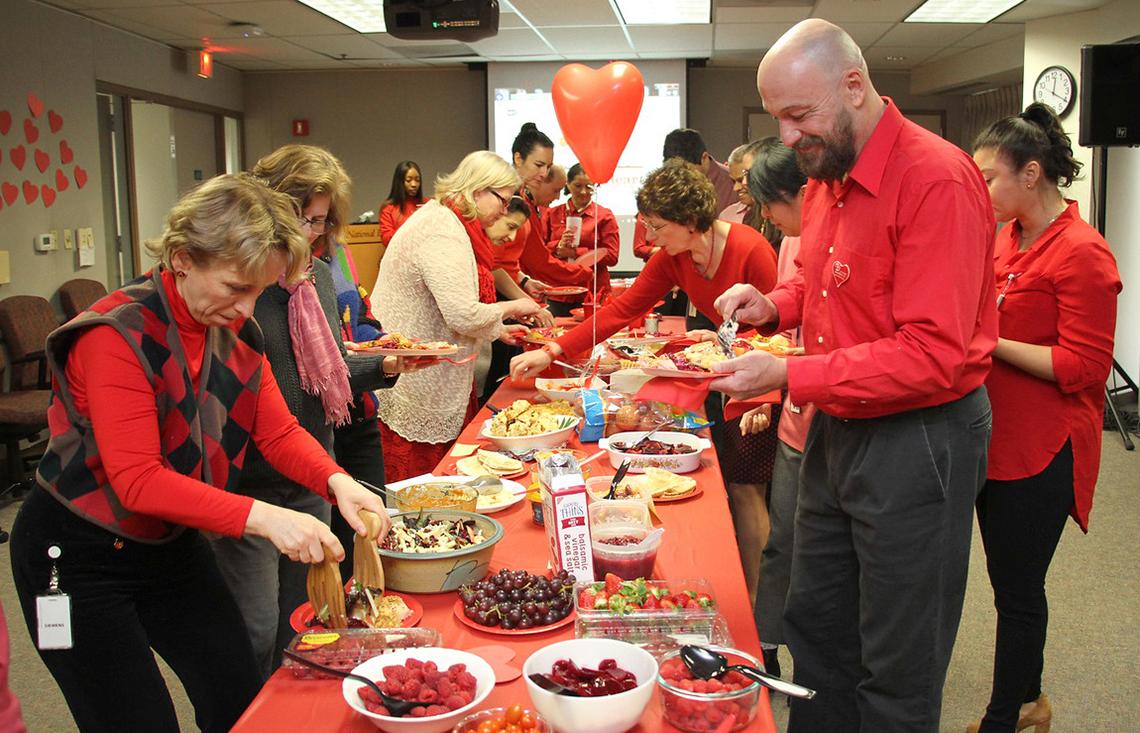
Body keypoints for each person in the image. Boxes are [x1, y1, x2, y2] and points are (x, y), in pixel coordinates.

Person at [8, 173, 390, 733]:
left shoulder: (234, 331)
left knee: (238, 692)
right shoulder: (114, 335)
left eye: (259, 291)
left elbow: (277, 433)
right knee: (135, 719)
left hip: (167, 542)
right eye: (236, 288)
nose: (246, 309)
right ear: (183, 257)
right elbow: (137, 480)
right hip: (77, 553)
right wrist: (264, 517)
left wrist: (338, 482)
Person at [711, 19, 997, 733]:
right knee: (817, 631)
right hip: (840, 421)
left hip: (919, 435)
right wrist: (771, 303)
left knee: (897, 658)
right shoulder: (824, 180)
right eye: (778, 116)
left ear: (855, 85)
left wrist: (789, 373)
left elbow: (932, 353)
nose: (787, 135)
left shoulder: (936, 178)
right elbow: (820, 283)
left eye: (798, 115)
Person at [207, 145, 410, 678]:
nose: (309, 232)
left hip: (310, 466)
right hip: (251, 480)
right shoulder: (243, 290)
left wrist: (385, 367)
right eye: (300, 217)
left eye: (319, 221)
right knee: (251, 629)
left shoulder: (316, 276)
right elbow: (258, 396)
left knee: (308, 620)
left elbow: (326, 371)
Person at [965, 103, 1121, 733]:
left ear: (1031, 174)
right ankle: (1030, 698)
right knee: (1009, 581)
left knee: (1019, 590)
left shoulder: (1084, 252)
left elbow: (1086, 368)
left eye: (989, 177)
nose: (981, 189)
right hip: (995, 439)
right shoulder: (1005, 237)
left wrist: (989, 339)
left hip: (1043, 448)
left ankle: (1008, 716)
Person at [509, 158, 777, 382]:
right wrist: (551, 352)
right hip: (731, 365)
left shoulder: (749, 248)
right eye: (645, 225)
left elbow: (779, 329)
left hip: (767, 369)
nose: (649, 237)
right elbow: (621, 310)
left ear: (690, 220)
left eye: (657, 227)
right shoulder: (672, 257)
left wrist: (732, 344)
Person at [374, 151, 540, 481]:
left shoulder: (451, 220)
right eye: (503, 202)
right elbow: (461, 313)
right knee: (421, 492)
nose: (504, 211)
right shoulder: (443, 228)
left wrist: (498, 329)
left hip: (428, 372)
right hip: (414, 378)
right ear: (478, 190)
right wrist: (514, 307)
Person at [740, 139, 817, 679]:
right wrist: (769, 396)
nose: (765, 215)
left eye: (772, 202)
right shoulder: (792, 239)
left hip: (831, 412)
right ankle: (765, 648)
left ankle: (819, 660)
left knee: (825, 556)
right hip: (796, 412)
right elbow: (784, 325)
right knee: (782, 544)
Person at [546, 162, 620, 302]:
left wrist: (577, 253)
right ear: (567, 184)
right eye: (578, 186)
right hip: (559, 290)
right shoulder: (552, 213)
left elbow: (612, 256)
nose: (584, 192)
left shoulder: (604, 216)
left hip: (594, 291)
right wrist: (557, 247)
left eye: (589, 187)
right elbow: (539, 251)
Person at [663, 127, 737, 213]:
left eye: (687, 172)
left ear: (704, 158)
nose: (681, 178)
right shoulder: (666, 182)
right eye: (674, 171)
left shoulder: (732, 183)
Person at [379, 160, 425, 245]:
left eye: (417, 180)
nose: (414, 184)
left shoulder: (427, 205)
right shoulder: (388, 208)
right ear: (400, 182)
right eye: (408, 180)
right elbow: (387, 239)